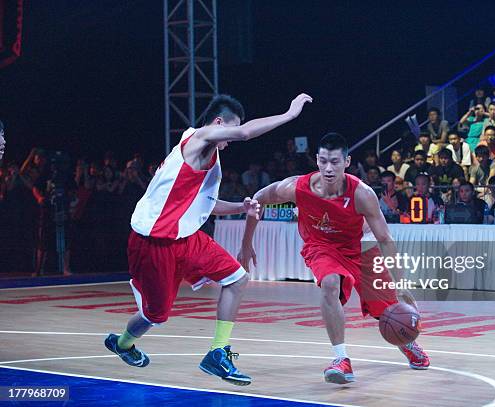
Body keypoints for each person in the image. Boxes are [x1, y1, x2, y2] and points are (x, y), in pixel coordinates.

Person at [104, 93, 312, 387]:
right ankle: (122, 343)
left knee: (237, 279)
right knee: (155, 315)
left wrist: (240, 207)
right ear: (218, 124)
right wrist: (289, 115)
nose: (229, 140)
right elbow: (244, 132)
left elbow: (206, 204)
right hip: (154, 243)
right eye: (229, 129)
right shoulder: (200, 138)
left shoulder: (209, 157)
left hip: (186, 237)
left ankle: (217, 352)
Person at [238, 133, 430, 384]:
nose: (329, 168)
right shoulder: (296, 187)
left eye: (335, 162)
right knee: (329, 283)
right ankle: (341, 359)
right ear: (317, 160)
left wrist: (401, 284)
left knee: (389, 312)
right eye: (324, 161)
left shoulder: (362, 193)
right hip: (322, 247)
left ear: (347, 162)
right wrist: (246, 244)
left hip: (360, 248)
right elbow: (258, 200)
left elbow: (384, 238)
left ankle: (406, 340)